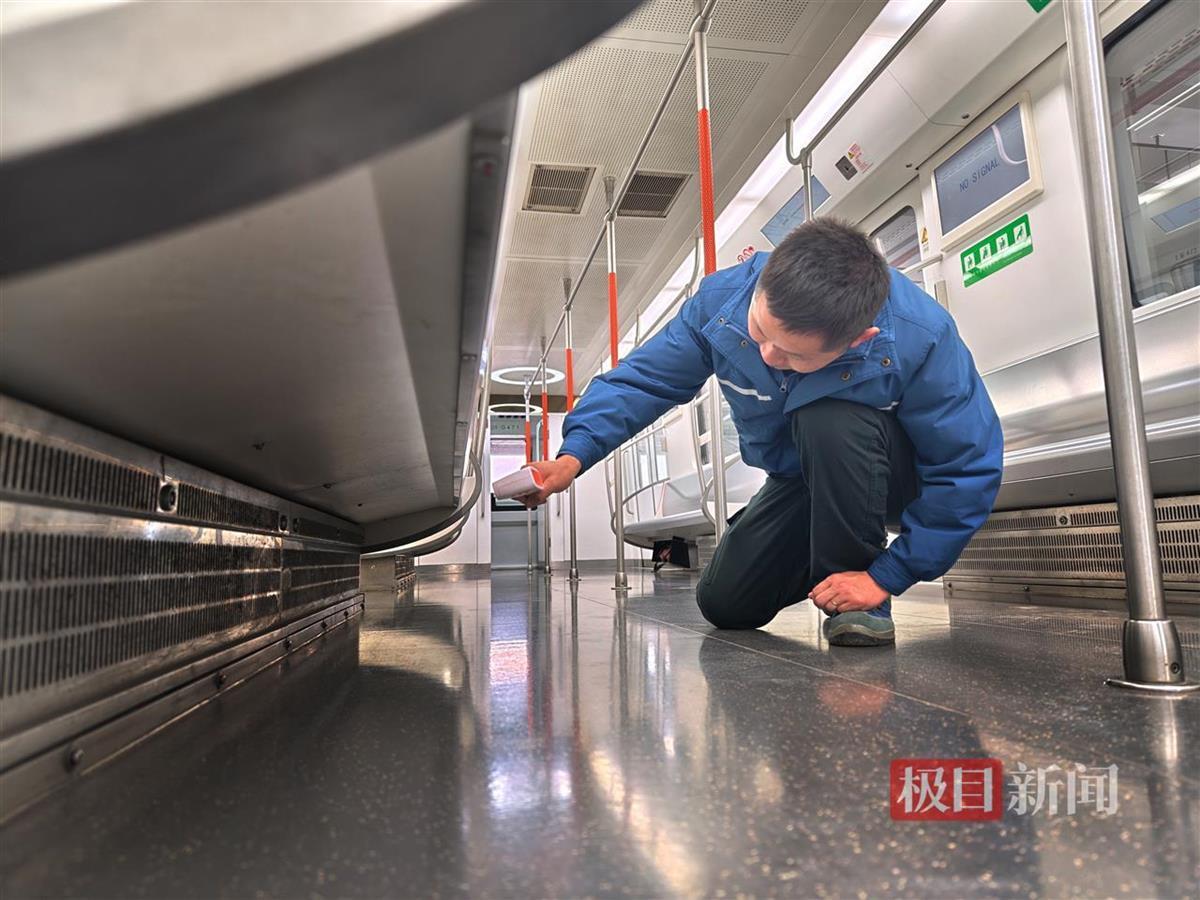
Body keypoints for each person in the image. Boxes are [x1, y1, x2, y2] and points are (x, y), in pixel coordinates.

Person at [523, 218, 1004, 646]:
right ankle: (814, 559)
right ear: (763, 285)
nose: (769, 357)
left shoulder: (921, 335)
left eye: (794, 354)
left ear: (859, 340)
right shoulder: (721, 303)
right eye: (760, 330)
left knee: (827, 414)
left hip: (892, 478)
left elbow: (966, 468)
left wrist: (885, 577)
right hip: (799, 475)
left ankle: (859, 605)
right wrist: (573, 455)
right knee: (726, 603)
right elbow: (643, 382)